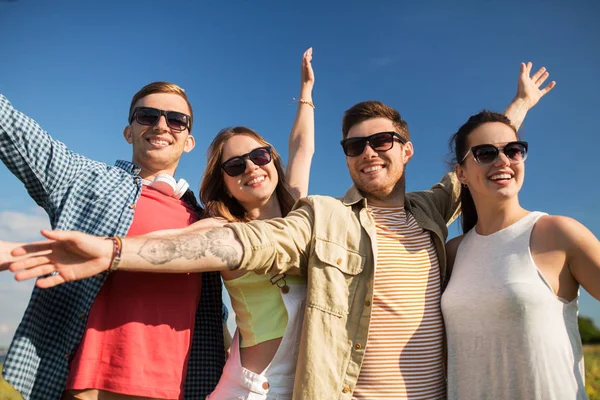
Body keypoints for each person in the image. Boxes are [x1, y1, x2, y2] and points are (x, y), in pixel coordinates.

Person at [3, 62, 553, 399]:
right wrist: (113, 249)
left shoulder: (432, 209)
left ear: (406, 150)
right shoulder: (318, 219)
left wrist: (520, 108)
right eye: (355, 146)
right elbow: (228, 242)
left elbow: (480, 164)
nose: (368, 153)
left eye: (382, 142)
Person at [438, 110, 600, 400]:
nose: (502, 160)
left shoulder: (559, 233)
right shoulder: (453, 251)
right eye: (485, 153)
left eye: (513, 150)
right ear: (460, 173)